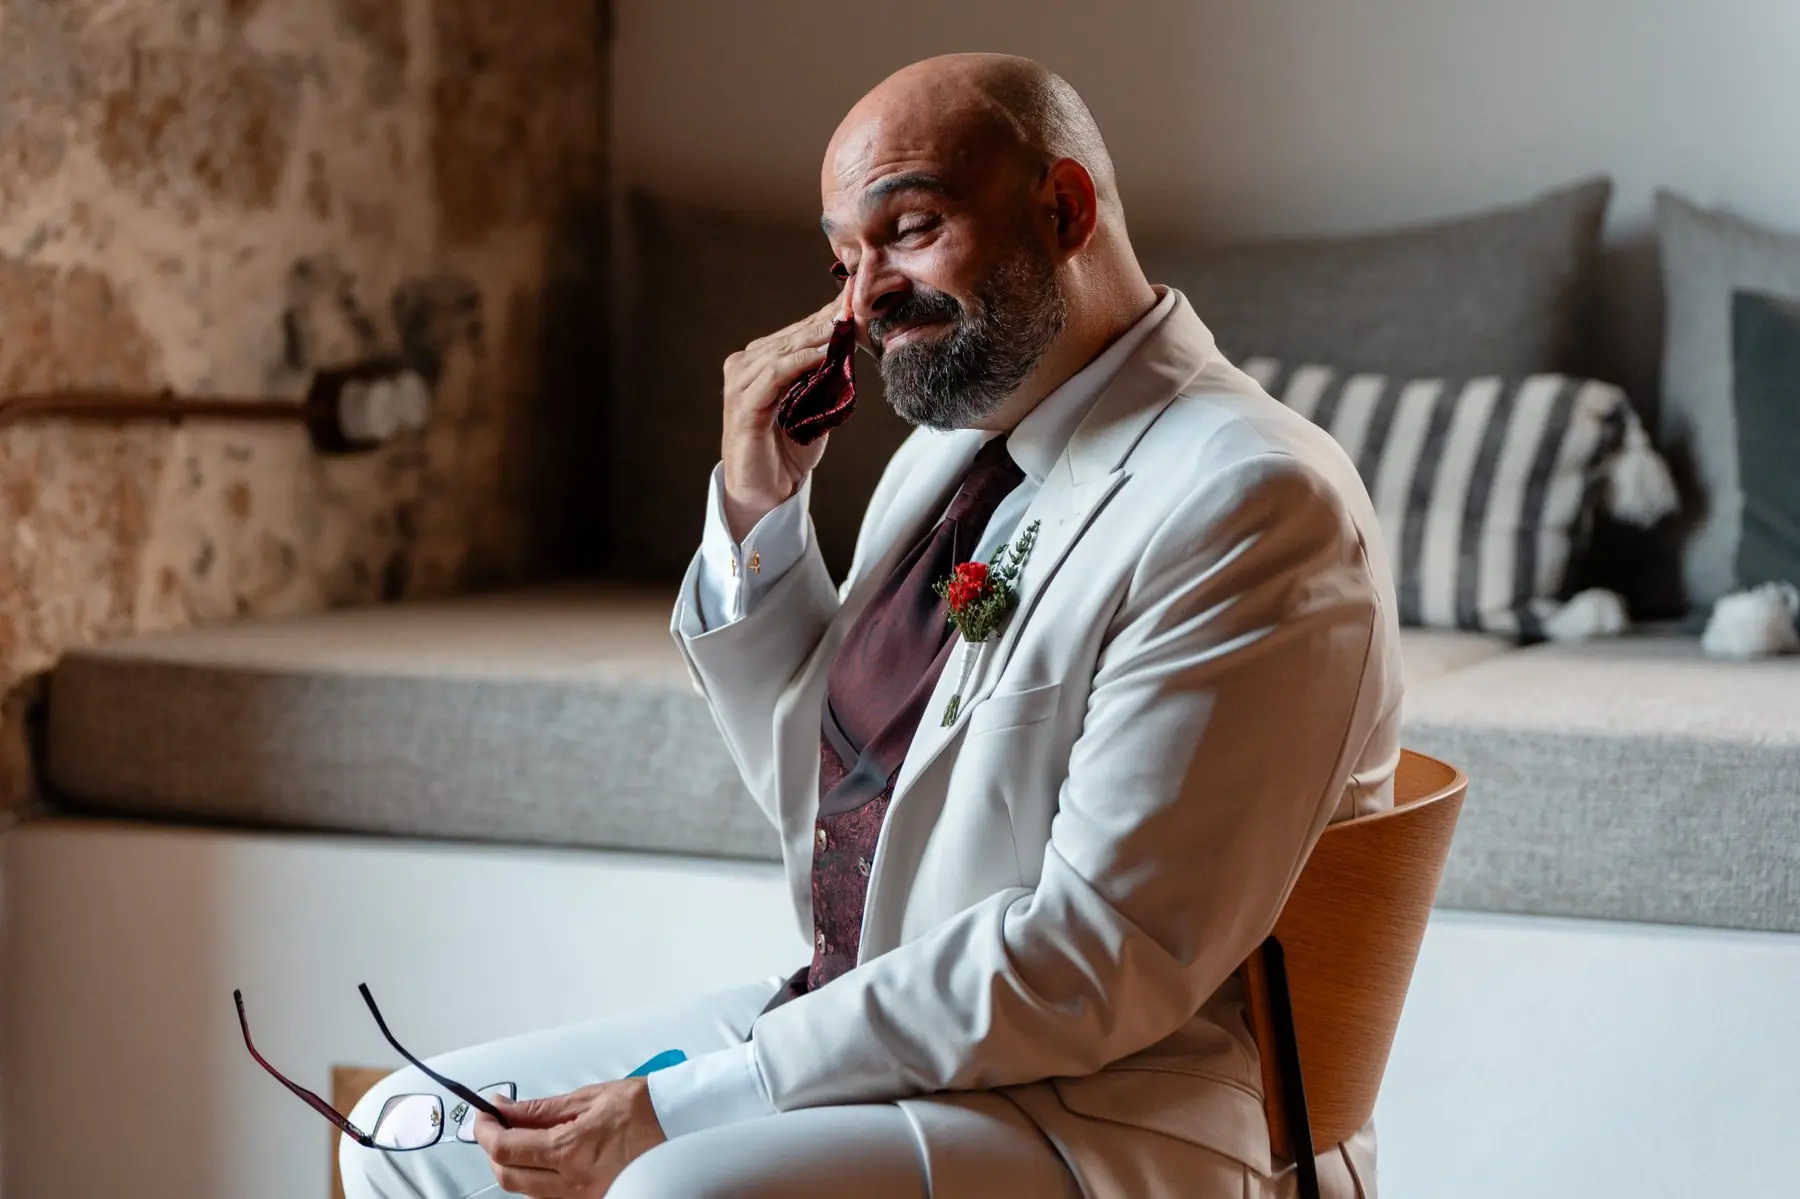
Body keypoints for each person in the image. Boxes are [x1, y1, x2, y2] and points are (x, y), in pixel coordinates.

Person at [340, 51, 1401, 1199]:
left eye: (908, 227)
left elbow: (1094, 961)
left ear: (1064, 209)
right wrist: (758, 512)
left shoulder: (1248, 498)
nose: (862, 298)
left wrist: (685, 1105)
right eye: (843, 256)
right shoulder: (946, 457)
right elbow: (830, 790)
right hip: (871, 1023)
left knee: (671, 1188)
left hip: (1104, 1101)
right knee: (404, 1130)